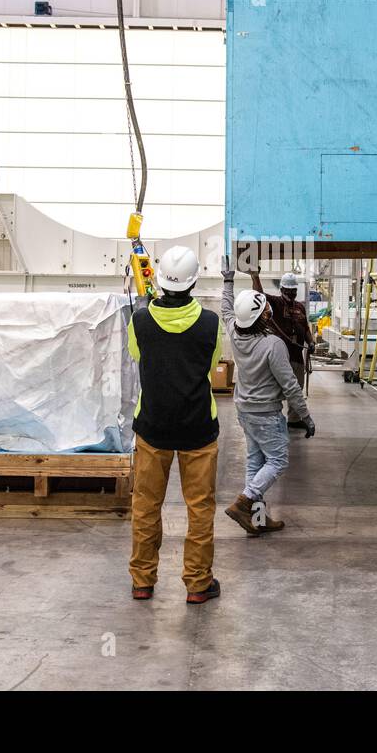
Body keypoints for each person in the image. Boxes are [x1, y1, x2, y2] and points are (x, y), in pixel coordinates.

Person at [127, 245, 225, 605]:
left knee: (146, 505)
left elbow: (138, 356)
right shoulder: (211, 324)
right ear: (194, 282)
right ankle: (198, 584)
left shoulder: (138, 323)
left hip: (153, 427)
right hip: (198, 429)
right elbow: (211, 364)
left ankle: (142, 581)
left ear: (162, 280)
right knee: (199, 509)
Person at [219, 263, 315, 536]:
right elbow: (291, 386)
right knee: (277, 461)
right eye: (264, 311)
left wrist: (228, 280)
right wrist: (306, 418)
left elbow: (226, 309)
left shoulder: (236, 332)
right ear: (261, 317)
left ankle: (257, 519)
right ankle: (244, 501)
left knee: (255, 461)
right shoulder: (273, 345)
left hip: (245, 411)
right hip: (266, 414)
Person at [249, 270, 316, 428]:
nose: (291, 293)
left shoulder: (300, 307)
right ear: (282, 290)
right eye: (288, 290)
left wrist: (311, 342)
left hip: (297, 356)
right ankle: (272, 419)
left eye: (293, 290)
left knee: (297, 388)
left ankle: (294, 419)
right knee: (275, 389)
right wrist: (255, 276)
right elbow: (259, 294)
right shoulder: (275, 303)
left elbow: (305, 329)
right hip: (279, 357)